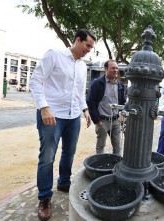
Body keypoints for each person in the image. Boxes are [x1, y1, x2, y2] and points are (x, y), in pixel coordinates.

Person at [29, 29, 96, 221]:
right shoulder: (54, 55)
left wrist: (84, 110)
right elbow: (35, 81)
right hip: (52, 115)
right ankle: (44, 198)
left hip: (73, 116)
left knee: (69, 152)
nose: (89, 50)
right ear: (77, 40)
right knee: (48, 156)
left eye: (91, 47)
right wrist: (43, 107)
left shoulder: (83, 66)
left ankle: (64, 182)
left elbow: (79, 92)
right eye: (87, 45)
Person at [86, 59, 126, 155]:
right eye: (113, 68)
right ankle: (99, 168)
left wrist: (122, 116)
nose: (115, 70)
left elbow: (123, 102)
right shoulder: (97, 83)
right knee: (100, 146)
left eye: (117, 68)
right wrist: (97, 120)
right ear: (105, 69)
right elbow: (90, 102)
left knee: (117, 147)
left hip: (116, 121)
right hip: (102, 121)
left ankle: (116, 167)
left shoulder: (120, 85)